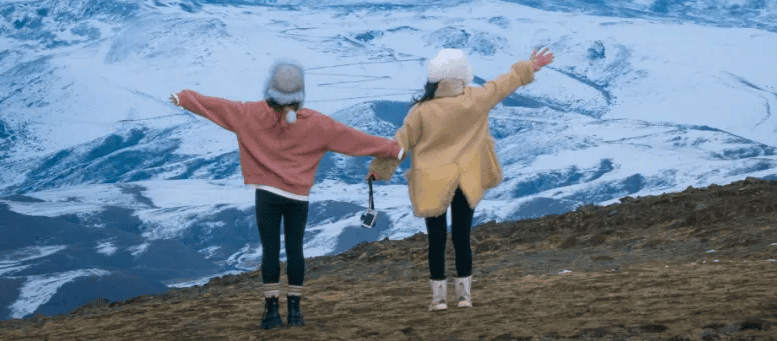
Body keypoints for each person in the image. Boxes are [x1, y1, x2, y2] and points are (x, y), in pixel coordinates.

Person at [171, 61, 403, 331]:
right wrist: (392, 149)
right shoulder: (318, 124)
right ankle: (295, 312)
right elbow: (354, 139)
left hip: (267, 195)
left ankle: (271, 312)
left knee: (270, 252)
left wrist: (183, 98)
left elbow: (215, 107)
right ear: (299, 95)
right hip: (298, 199)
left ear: (271, 90)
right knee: (296, 251)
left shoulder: (250, 114)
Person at [367, 46, 555, 311]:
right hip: (466, 179)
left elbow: (401, 142)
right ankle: (465, 297)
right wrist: (530, 66)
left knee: (436, 241)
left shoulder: (421, 111)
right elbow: (503, 84)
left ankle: (438, 300)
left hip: (432, 182)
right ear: (463, 75)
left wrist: (379, 170)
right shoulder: (476, 99)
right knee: (462, 238)